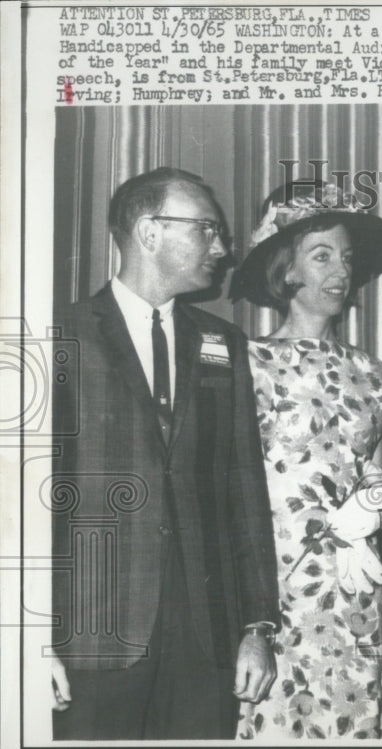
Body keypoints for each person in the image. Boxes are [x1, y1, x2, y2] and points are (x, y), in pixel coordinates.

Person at [49, 168, 280, 740]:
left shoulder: (222, 343)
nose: (222, 249)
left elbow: (243, 486)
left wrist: (257, 627)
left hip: (205, 640)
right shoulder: (61, 334)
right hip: (91, 635)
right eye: (206, 229)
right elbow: (25, 500)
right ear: (149, 232)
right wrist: (31, 637)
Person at [228, 181, 382, 740]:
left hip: (356, 588)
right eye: (322, 255)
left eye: (347, 258)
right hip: (277, 593)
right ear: (287, 271)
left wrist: (372, 507)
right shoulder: (246, 365)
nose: (341, 270)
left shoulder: (374, 373)